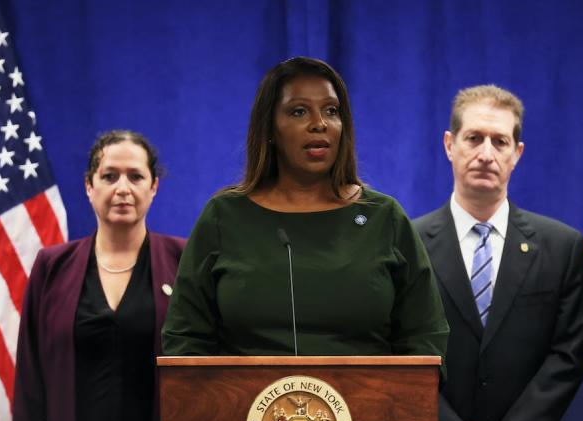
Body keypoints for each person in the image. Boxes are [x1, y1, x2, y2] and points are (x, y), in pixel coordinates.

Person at [406, 85, 583, 421]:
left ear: (518, 153)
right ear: (449, 144)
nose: (486, 152)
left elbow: (568, 356)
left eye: (500, 141)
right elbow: (397, 356)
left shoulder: (562, 247)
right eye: (474, 138)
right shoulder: (406, 245)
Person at [161, 56, 447, 362]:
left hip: (368, 408)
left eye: (331, 111)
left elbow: (425, 337)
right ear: (270, 127)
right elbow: (185, 340)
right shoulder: (224, 216)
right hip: (244, 408)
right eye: (299, 111)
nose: (319, 124)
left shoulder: (383, 216)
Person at [9, 131, 190, 421]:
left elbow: (204, 375)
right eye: (109, 176)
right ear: (89, 186)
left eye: (135, 176)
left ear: (154, 187)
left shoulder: (185, 262)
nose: (122, 188)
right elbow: (30, 380)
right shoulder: (52, 267)